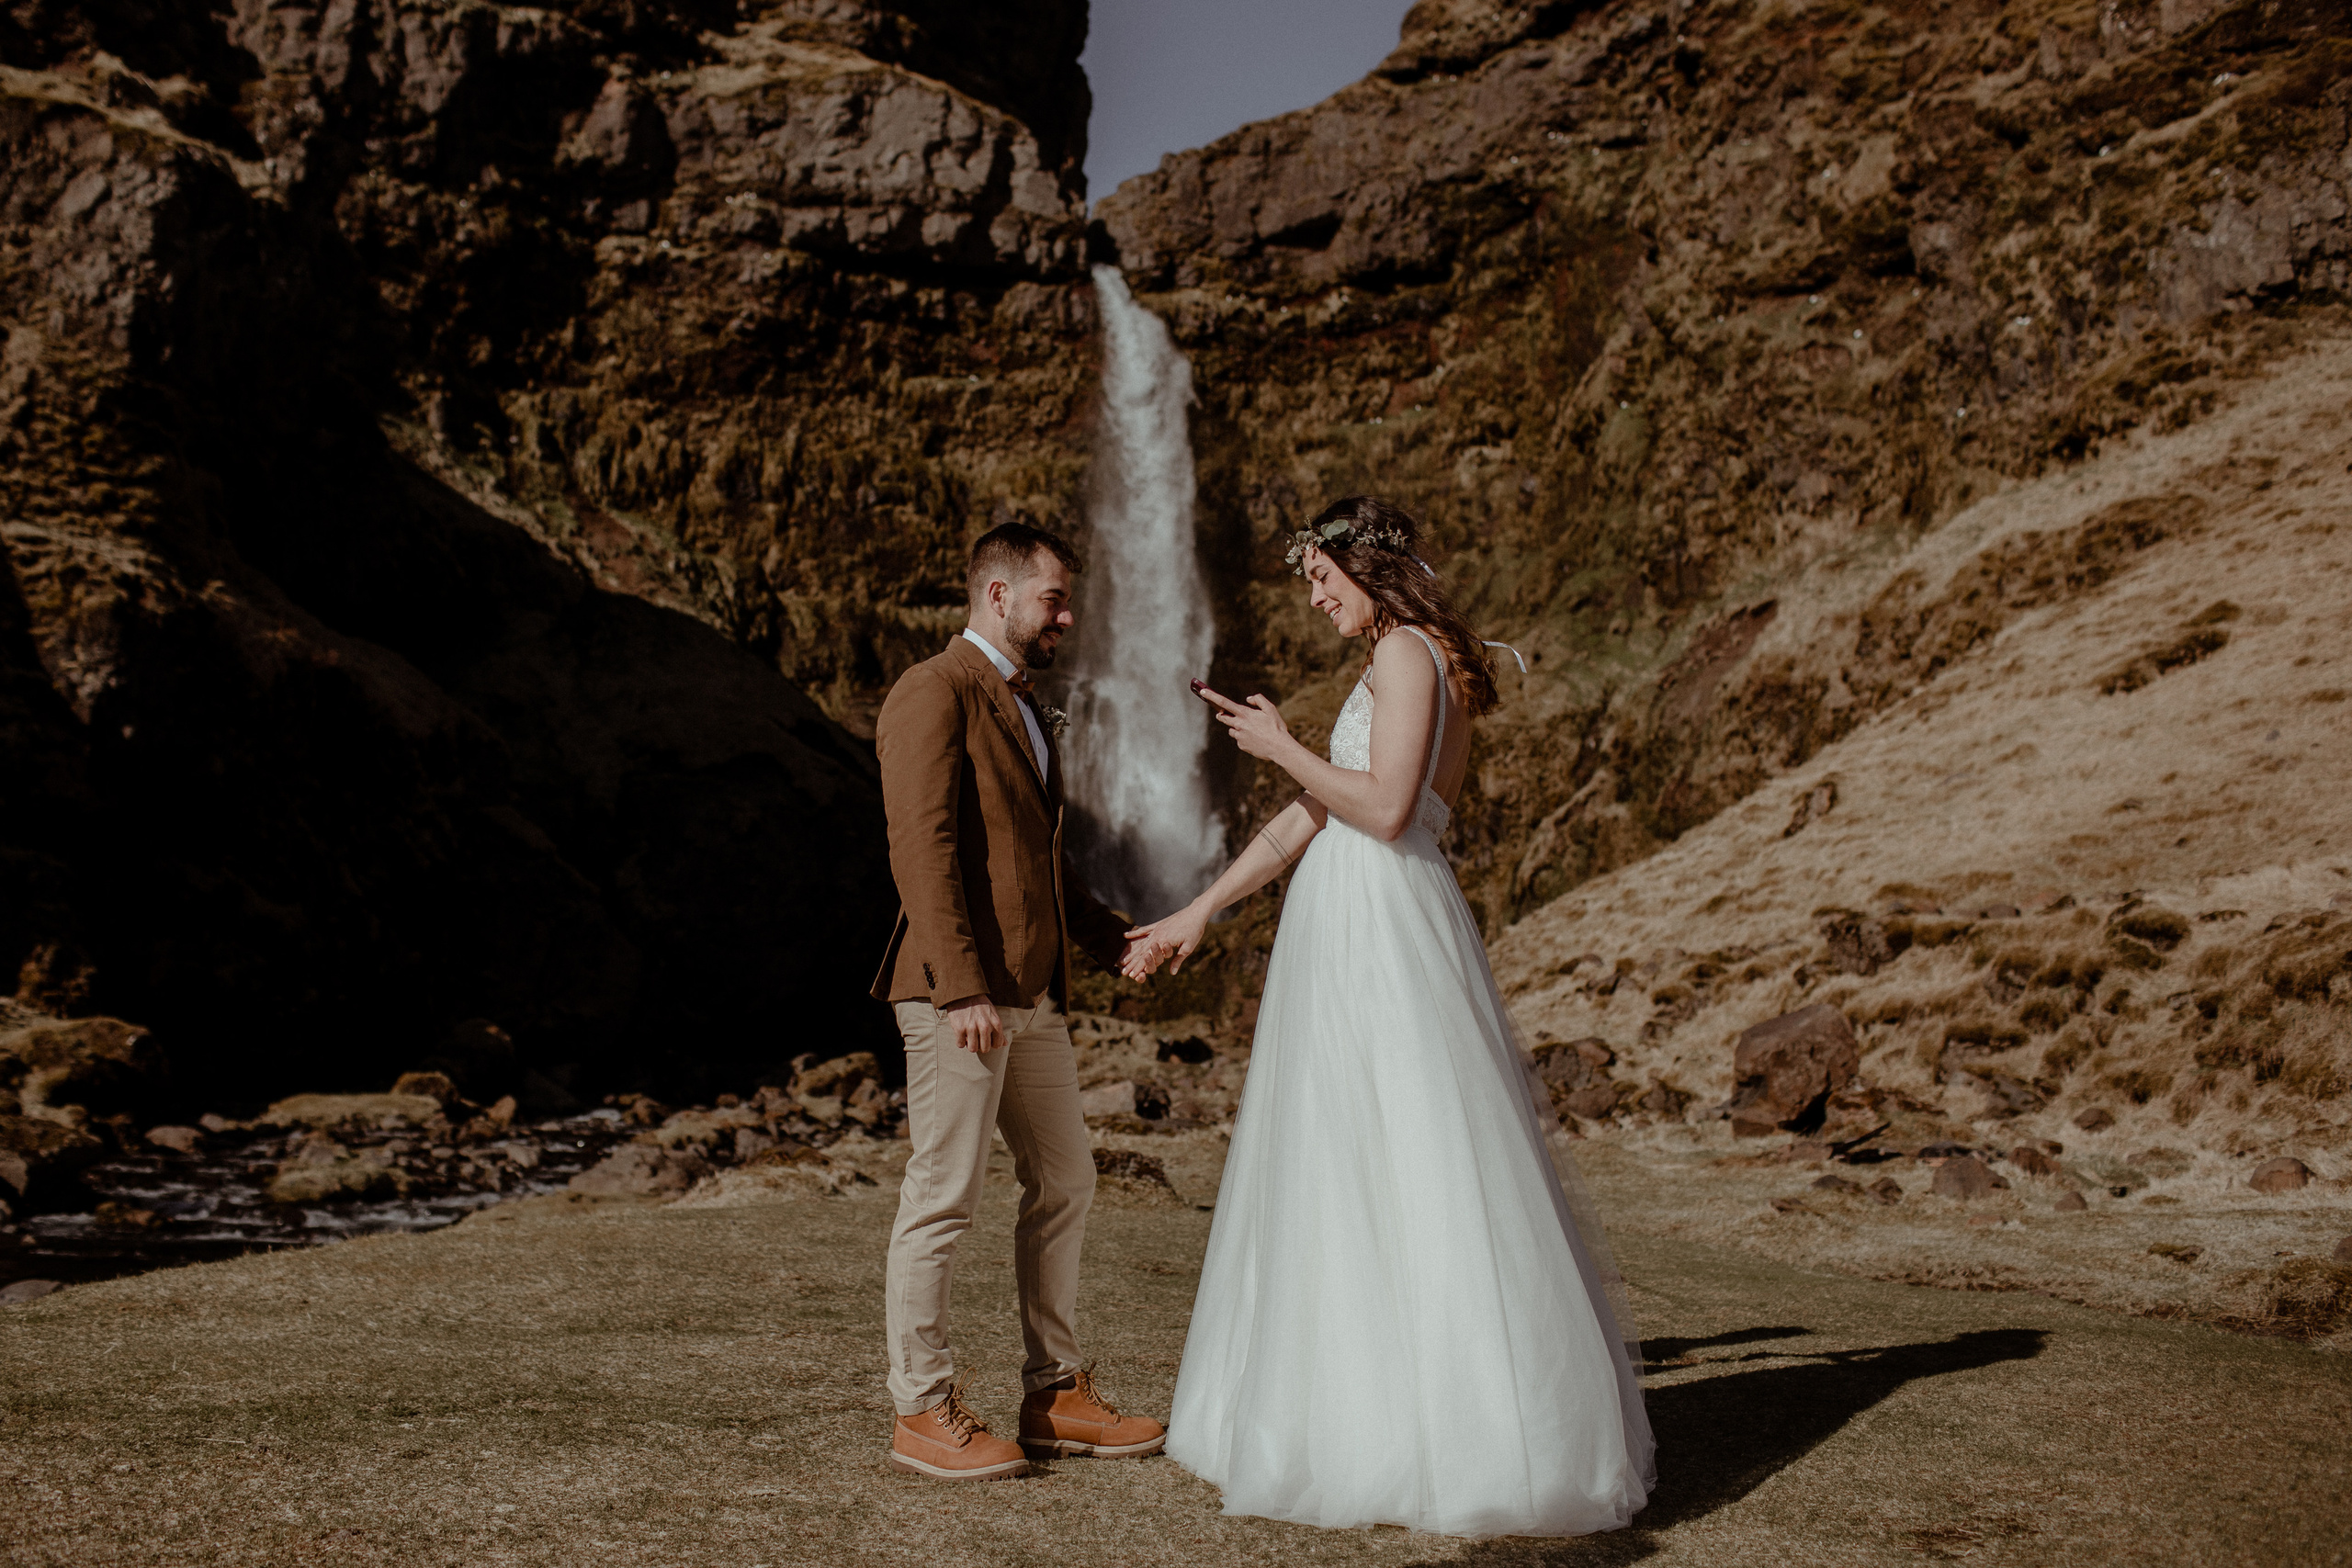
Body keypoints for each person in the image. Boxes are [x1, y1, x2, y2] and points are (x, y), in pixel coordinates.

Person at [1124, 496, 1656, 1537]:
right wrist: (1199, 911)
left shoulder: (1408, 653)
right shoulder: (1406, 658)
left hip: (1381, 923)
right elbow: (1311, 820)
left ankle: (1444, 1437)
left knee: (1414, 1156)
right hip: (1354, 916)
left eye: (1323, 576)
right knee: (1352, 1159)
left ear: (1372, 568)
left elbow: (1383, 810)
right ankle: (1360, 1411)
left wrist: (1279, 743)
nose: (1315, 595)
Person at [869, 522, 1168, 1482]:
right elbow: (921, 850)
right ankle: (920, 1407)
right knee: (943, 1197)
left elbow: (1034, 858)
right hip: (964, 995)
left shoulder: (1024, 703)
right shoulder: (934, 689)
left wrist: (1113, 937)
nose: (1067, 616)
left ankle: (1054, 1392)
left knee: (1068, 1182)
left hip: (1031, 996)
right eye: (1053, 598)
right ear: (997, 596)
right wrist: (959, 986)